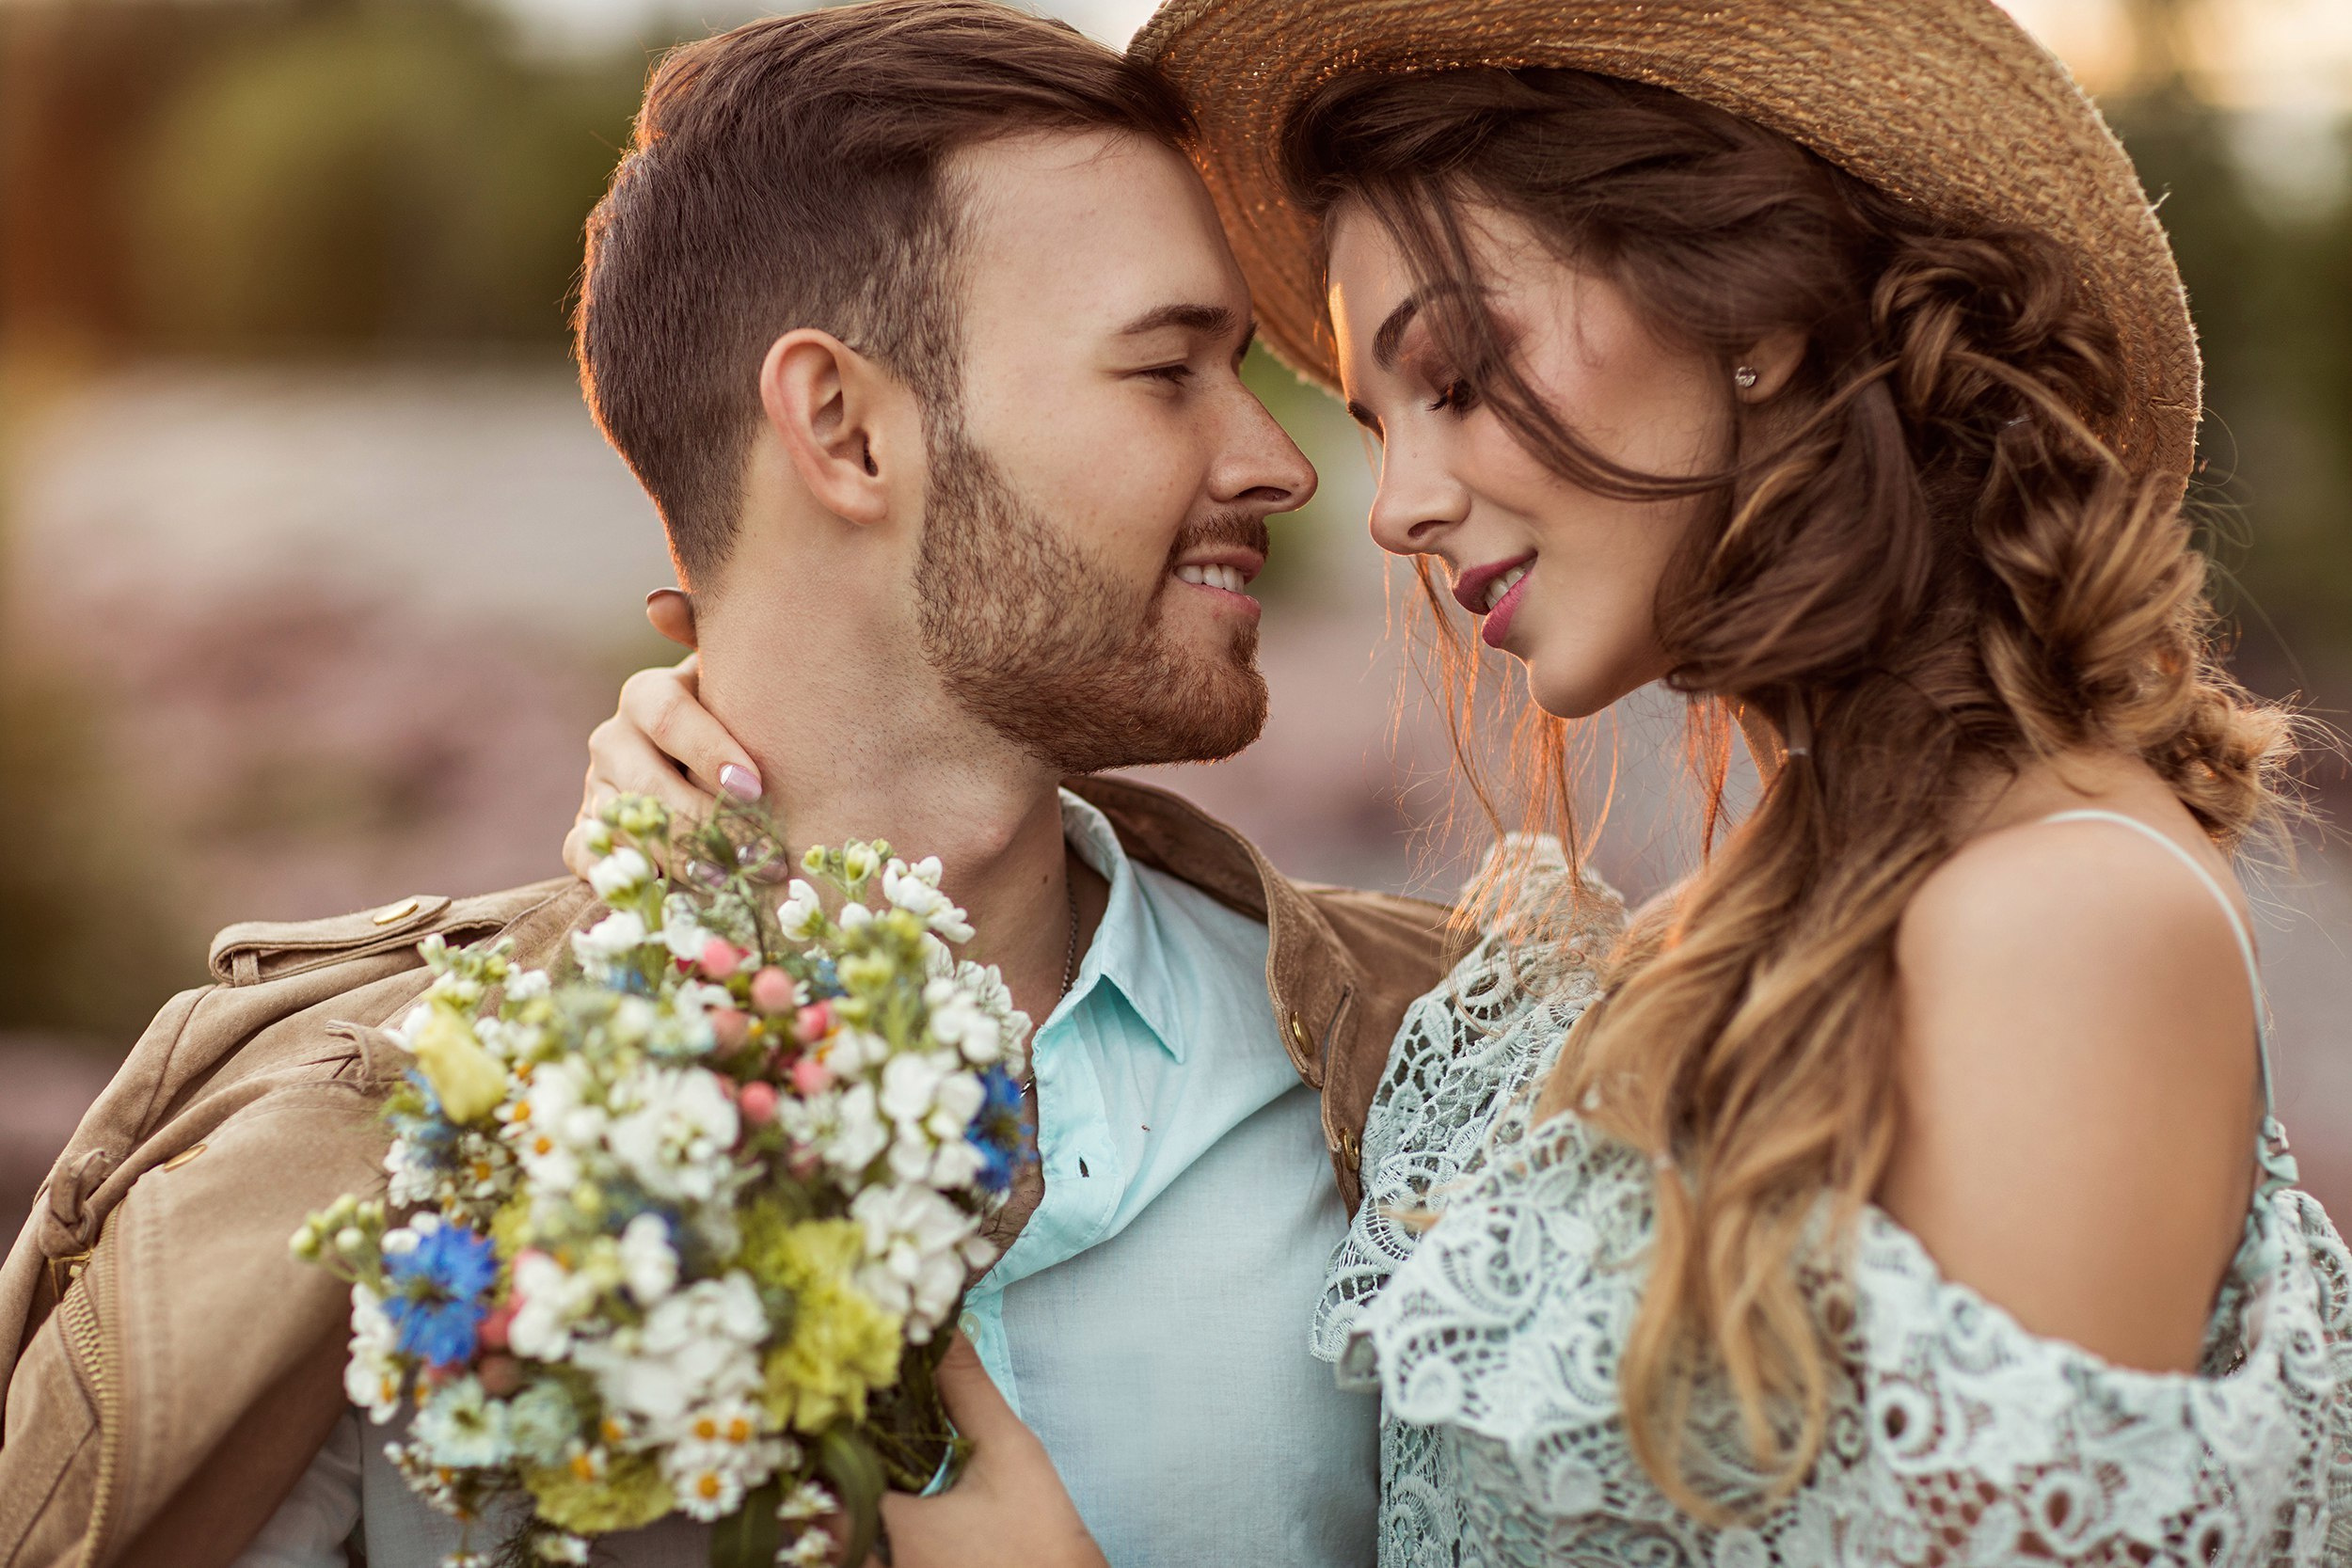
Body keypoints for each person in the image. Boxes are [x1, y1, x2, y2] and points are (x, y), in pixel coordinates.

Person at [596, 0, 2352, 1559]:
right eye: (1382, 416)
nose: (1389, 504)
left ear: (1756, 316)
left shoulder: (2063, 922)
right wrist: (745, 813)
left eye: (1451, 373)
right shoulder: (1757, 918)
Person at [0, 6, 1465, 1566]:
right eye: (1169, 368)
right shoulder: (381, 1151)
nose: (1281, 462)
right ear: (841, 428)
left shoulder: (1430, 1066)